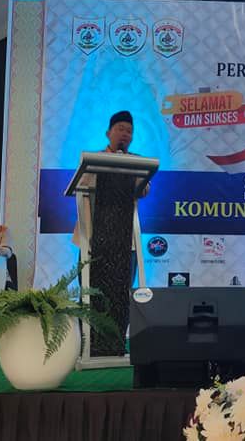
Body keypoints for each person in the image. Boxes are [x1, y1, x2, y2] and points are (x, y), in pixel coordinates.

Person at [72, 110, 150, 356]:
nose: (125, 134)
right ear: (109, 133)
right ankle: (89, 344)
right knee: (91, 291)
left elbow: (144, 190)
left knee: (120, 293)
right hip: (93, 237)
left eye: (129, 131)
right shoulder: (92, 159)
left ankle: (115, 344)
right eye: (120, 129)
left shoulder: (136, 162)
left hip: (124, 240)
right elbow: (81, 186)